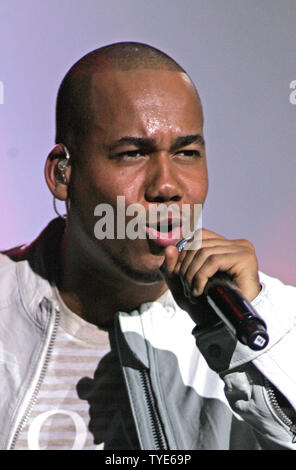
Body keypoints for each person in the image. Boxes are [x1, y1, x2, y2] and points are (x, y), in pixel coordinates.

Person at [0, 41, 296, 451]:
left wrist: (253, 348)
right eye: (133, 153)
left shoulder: (271, 321)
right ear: (62, 174)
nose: (167, 186)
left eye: (187, 153)